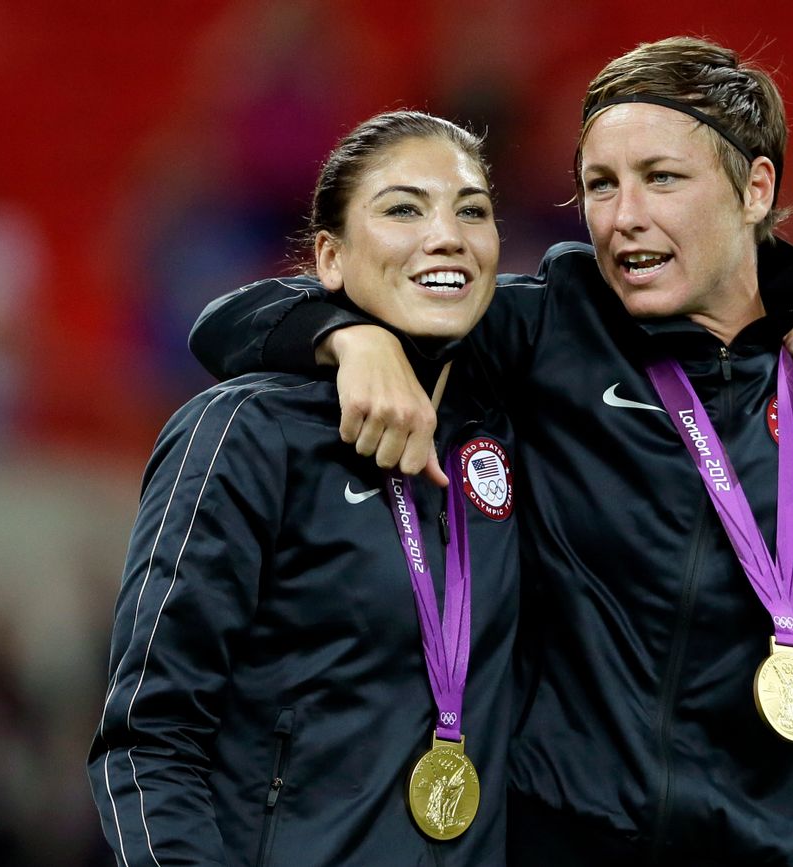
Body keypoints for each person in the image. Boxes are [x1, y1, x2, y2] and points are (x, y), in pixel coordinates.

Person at [189, 37, 793, 866]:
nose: (622, 216)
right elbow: (229, 321)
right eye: (600, 185)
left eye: (661, 178)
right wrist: (351, 339)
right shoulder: (547, 336)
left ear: (756, 188)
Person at [89, 112, 524, 866]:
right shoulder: (242, 432)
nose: (446, 233)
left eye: (472, 209)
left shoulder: (515, 432)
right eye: (402, 208)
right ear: (328, 256)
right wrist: (349, 336)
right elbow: (148, 741)